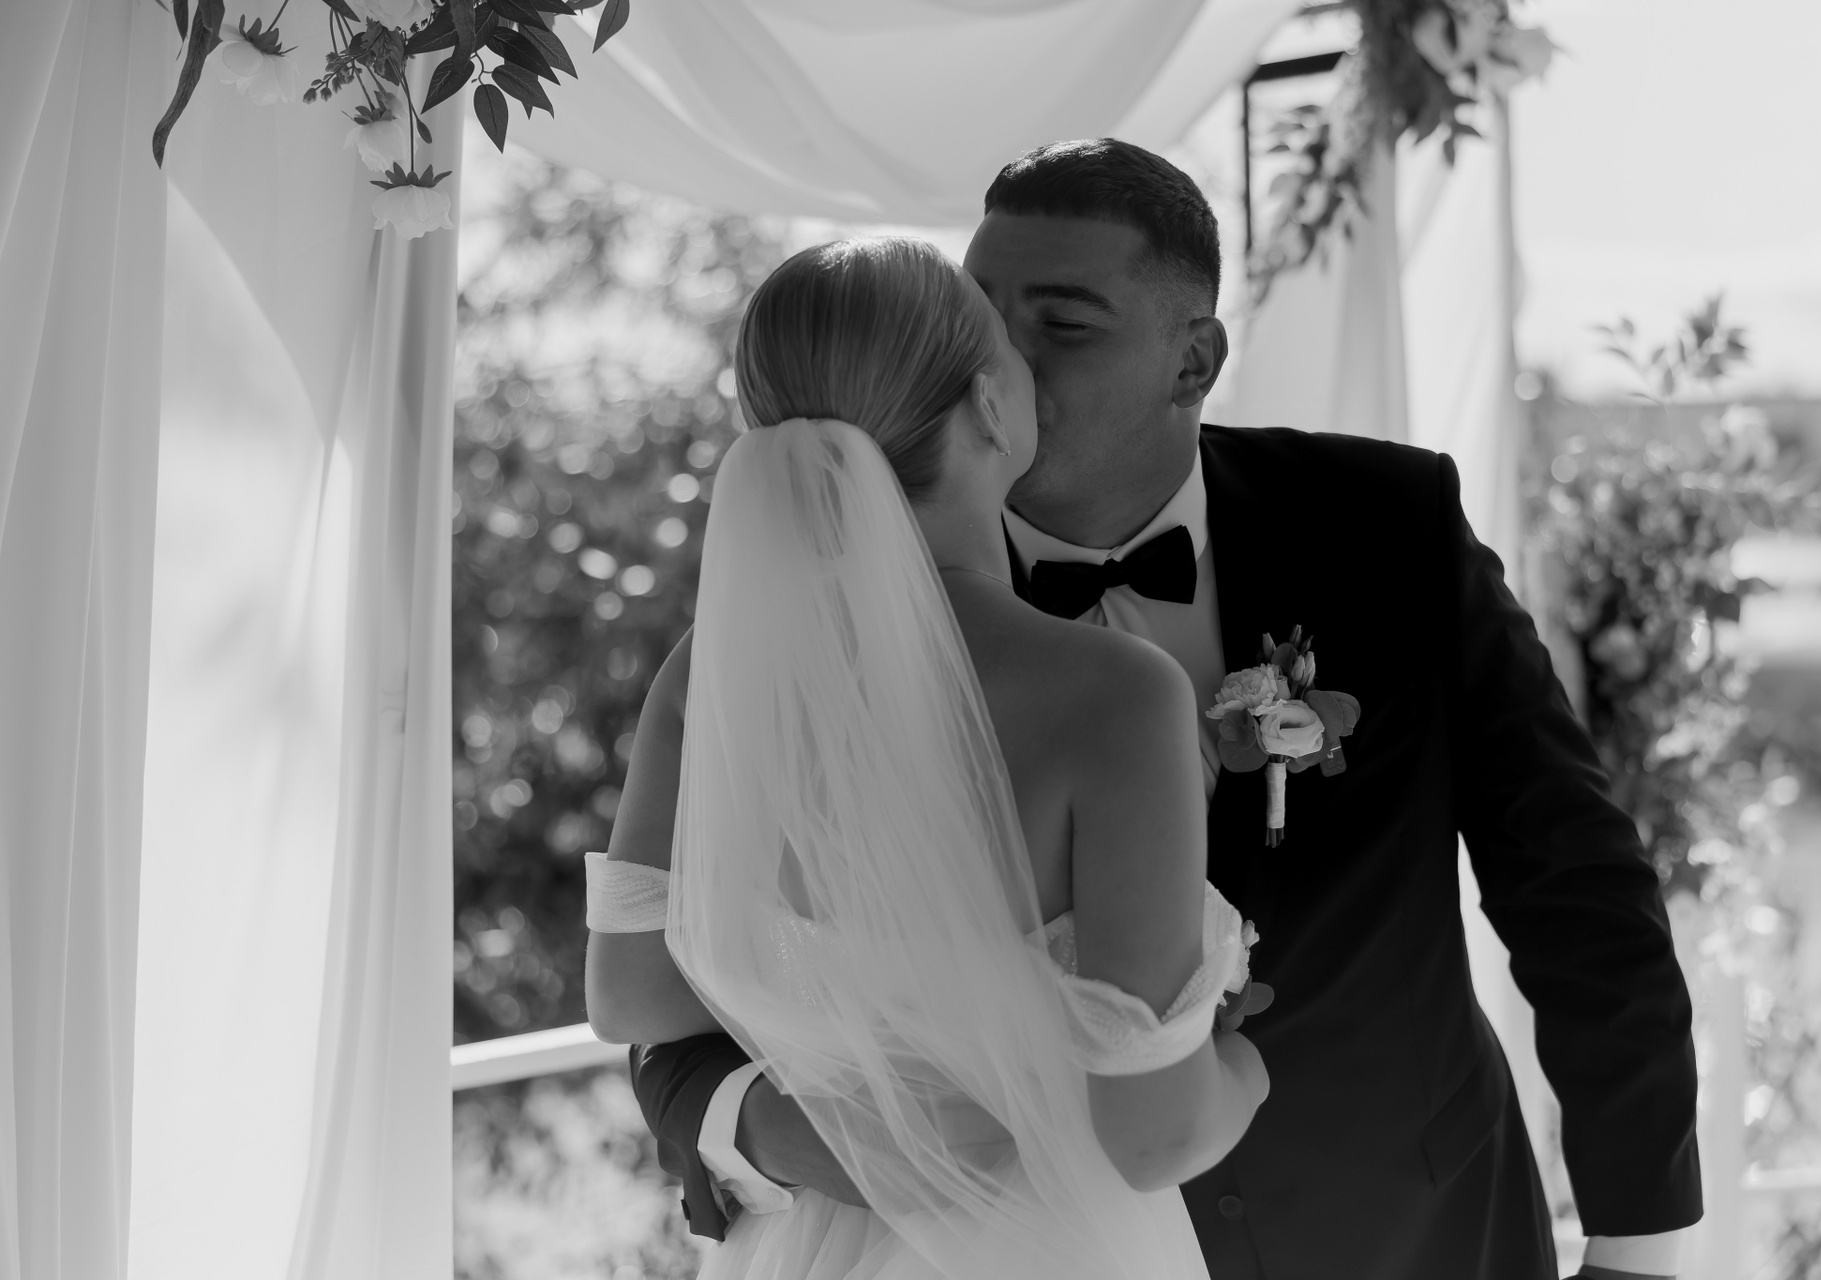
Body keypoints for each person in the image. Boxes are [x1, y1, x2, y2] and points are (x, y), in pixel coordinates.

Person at [619, 140, 1704, 1280]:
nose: (1006, 359)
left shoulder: (1385, 521)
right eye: (981, 314)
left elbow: (1575, 883)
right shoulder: (803, 632)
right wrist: (757, 1126)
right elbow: (682, 977)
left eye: (1063, 323)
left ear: (1194, 361)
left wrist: (1639, 1253)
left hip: (1408, 1234)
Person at [584, 235, 1271, 1280]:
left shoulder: (713, 670)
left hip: (807, 1245)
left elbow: (629, 995)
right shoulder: (1114, 694)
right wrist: (1244, 1066)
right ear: (992, 405)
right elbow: (1157, 1135)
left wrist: (850, 1072)